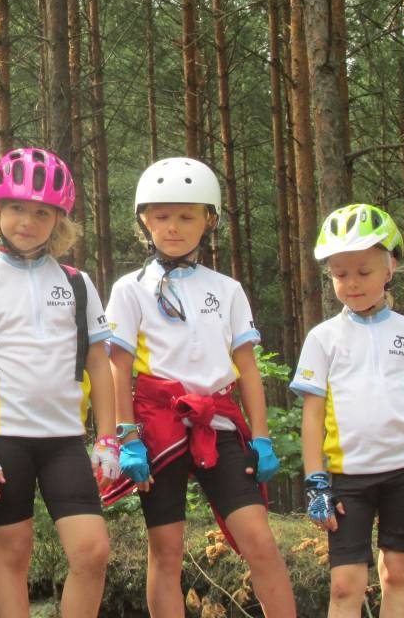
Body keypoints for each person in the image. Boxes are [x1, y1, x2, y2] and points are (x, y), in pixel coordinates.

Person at [104, 157, 295, 618]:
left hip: (218, 423)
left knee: (260, 541)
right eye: (162, 216)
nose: (173, 227)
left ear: (209, 220)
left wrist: (262, 437)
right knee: (166, 551)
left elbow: (246, 367)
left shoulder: (227, 289)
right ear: (145, 221)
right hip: (157, 427)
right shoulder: (130, 289)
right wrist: (125, 436)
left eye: (186, 216)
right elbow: (118, 368)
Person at [0, 148, 117, 618]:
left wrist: (107, 437)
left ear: (59, 221)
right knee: (13, 550)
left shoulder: (78, 284)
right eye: (17, 208)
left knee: (92, 551)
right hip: (4, 440)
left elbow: (99, 364)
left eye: (42, 212)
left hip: (64, 440)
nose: (28, 221)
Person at [294, 204, 404, 617]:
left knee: (397, 574)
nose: (352, 283)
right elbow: (312, 415)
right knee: (345, 584)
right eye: (340, 274)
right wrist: (315, 480)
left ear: (390, 267)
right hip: (347, 476)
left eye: (364, 271)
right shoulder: (323, 338)